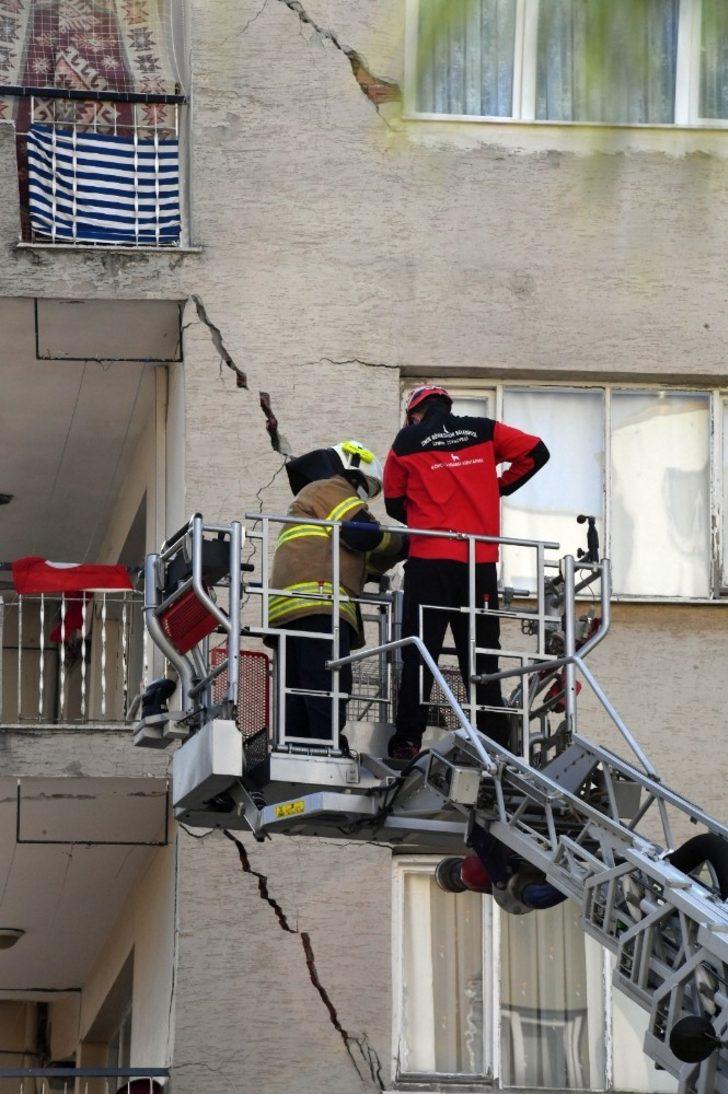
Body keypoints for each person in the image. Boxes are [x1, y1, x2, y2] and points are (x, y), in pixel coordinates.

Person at [383, 386, 549, 760]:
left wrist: (424, 515)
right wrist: (497, 487)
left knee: (419, 653)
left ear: (415, 414)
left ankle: (407, 739)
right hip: (479, 564)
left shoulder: (407, 440)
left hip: (430, 562)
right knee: (481, 657)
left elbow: (393, 501)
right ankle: (496, 741)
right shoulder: (483, 429)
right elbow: (537, 452)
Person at [269, 440, 405, 748]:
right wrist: (407, 541)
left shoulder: (314, 506)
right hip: (319, 602)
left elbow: (362, 556)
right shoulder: (333, 488)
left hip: (289, 609)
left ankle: (298, 746)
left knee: (299, 686)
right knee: (329, 679)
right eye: (364, 490)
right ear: (354, 476)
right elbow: (362, 532)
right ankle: (327, 744)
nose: (362, 500)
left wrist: (392, 554)